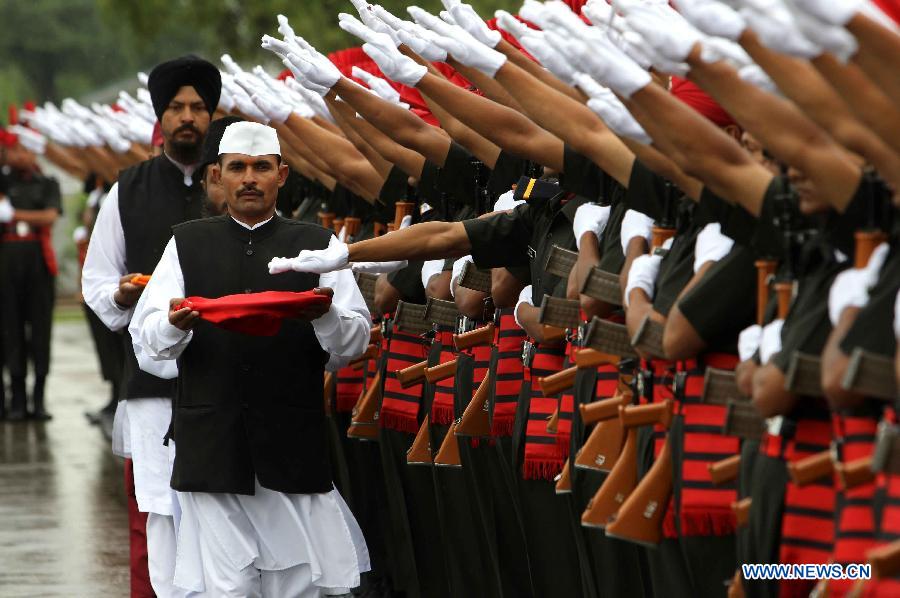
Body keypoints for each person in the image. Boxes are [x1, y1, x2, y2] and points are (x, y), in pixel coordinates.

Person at [131, 121, 371, 597]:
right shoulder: (186, 242)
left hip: (290, 440)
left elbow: (356, 341)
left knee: (299, 582)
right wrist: (174, 325)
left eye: (261, 168)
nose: (248, 179)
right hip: (212, 442)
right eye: (237, 167)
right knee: (228, 587)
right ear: (217, 175)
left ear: (281, 175)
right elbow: (146, 340)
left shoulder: (318, 244)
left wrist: (323, 316)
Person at [82, 54, 221, 598]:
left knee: (222, 520)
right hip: (151, 384)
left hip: (226, 378)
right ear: (160, 117)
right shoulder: (128, 189)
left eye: (198, 108)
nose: (188, 117)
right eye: (177, 108)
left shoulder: (232, 182)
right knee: (154, 520)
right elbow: (97, 279)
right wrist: (121, 293)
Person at [0, 129, 61, 420]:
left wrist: (14, 215)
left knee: (40, 331)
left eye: (26, 150)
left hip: (37, 263)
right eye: (14, 150)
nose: (20, 156)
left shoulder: (47, 182)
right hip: (6, 264)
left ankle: (39, 398)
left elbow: (50, 216)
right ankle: (17, 400)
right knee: (10, 331)